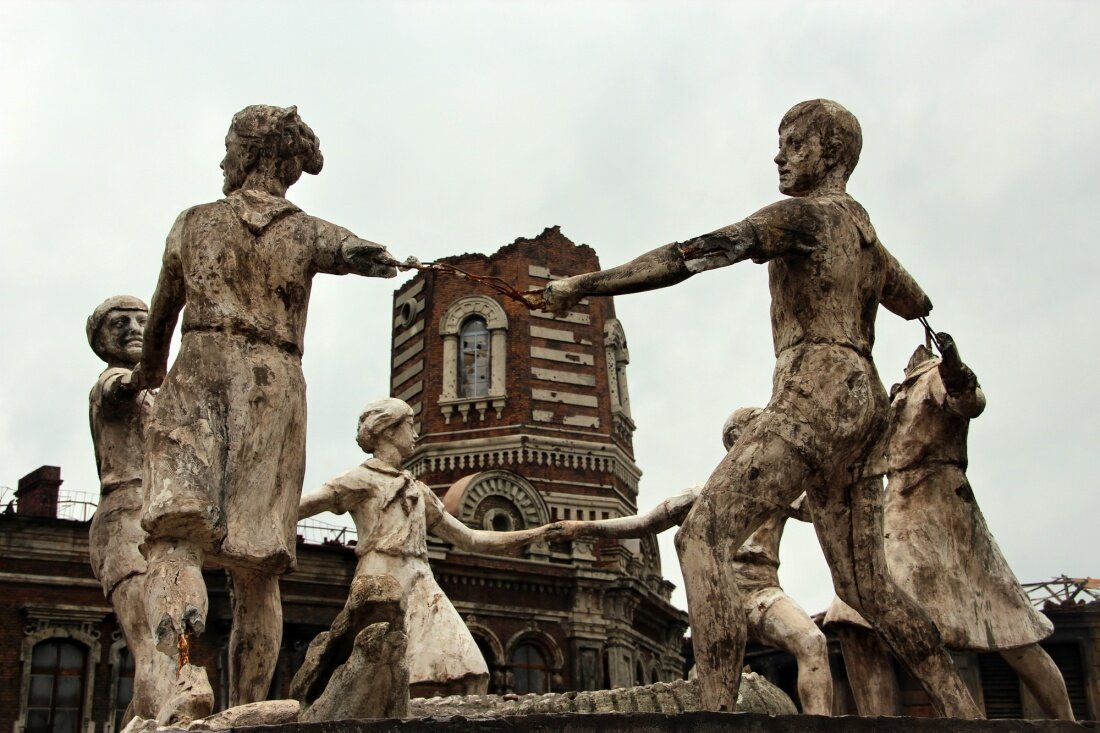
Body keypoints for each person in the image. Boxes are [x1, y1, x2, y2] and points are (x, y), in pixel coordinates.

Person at [540, 99, 981, 717]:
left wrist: (583, 286)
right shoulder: (866, 236)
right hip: (864, 406)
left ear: (832, 153)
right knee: (867, 587)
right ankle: (963, 711)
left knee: (702, 536)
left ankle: (716, 711)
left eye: (795, 143)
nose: (779, 156)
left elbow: (687, 256)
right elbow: (915, 300)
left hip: (814, 391)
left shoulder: (802, 218)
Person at [127, 105, 398, 706]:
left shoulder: (193, 222)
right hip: (272, 386)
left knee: (174, 537)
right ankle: (250, 705)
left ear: (250, 153)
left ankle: (182, 681)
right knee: (257, 565)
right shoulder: (308, 231)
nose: (222, 160)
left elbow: (161, 320)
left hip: (198, 374)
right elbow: (358, 251)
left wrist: (144, 378)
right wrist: (372, 257)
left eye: (228, 148)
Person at [829, 335, 1074, 720]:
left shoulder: (935, 376)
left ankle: (1067, 722)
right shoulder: (895, 393)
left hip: (941, 509)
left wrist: (954, 367)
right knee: (852, 612)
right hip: (895, 510)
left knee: (1009, 627)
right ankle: (879, 720)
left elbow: (970, 403)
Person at [557, 407, 834, 715]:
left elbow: (822, 506)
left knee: (812, 641)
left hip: (764, 593)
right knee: (716, 689)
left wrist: (822, 461)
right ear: (739, 441)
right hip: (717, 599)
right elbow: (645, 523)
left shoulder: (782, 490)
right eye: (762, 431)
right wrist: (582, 528)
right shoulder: (703, 492)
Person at [299, 398, 563, 695]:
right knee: (382, 672)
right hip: (381, 580)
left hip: (420, 579)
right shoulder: (362, 480)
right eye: (409, 425)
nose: (415, 434)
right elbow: (303, 506)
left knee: (469, 668)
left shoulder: (417, 489)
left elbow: (470, 539)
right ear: (389, 431)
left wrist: (539, 533)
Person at [86, 296, 180, 722]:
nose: (133, 329)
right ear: (99, 340)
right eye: (119, 323)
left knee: (170, 648)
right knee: (154, 646)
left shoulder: (159, 396)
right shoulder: (111, 383)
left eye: (143, 320)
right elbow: (125, 388)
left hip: (157, 518)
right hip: (125, 519)